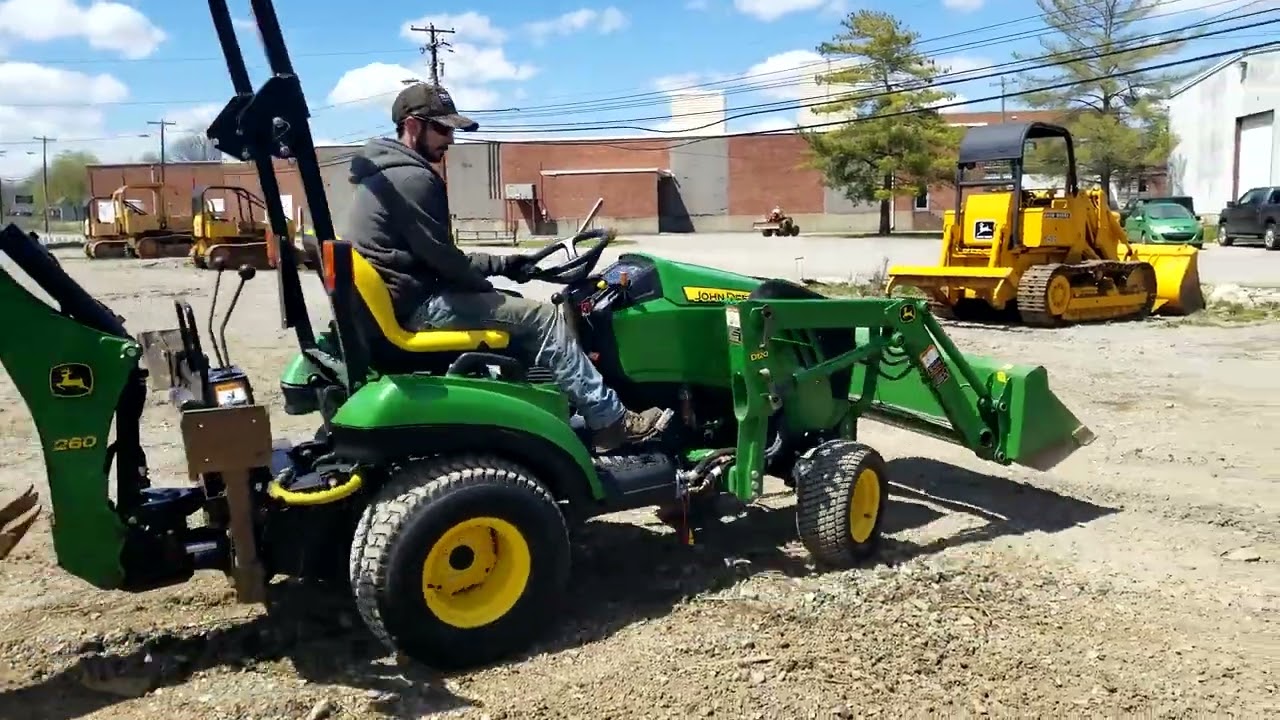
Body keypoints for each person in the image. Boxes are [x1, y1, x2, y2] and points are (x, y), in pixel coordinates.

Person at [342, 83, 671, 451]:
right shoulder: (412, 178)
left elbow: (435, 253)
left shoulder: (382, 173)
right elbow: (446, 261)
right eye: (443, 129)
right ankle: (611, 420)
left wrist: (508, 265)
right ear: (413, 125)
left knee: (513, 304)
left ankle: (548, 407)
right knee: (544, 318)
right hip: (417, 306)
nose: (450, 140)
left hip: (400, 298)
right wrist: (488, 283)